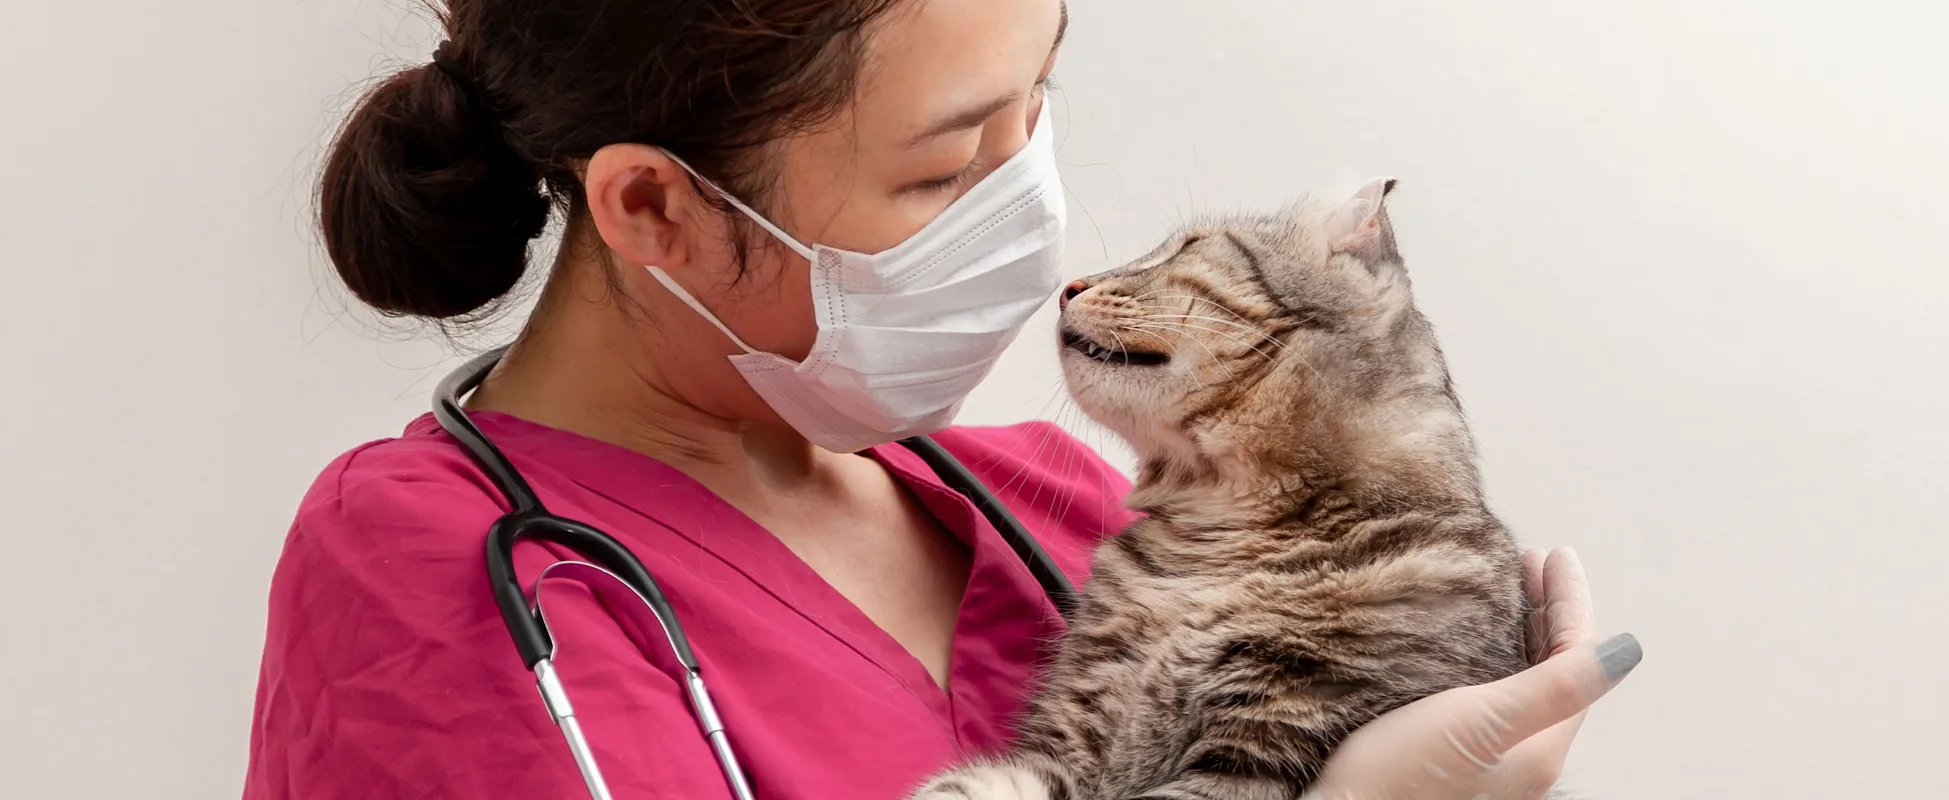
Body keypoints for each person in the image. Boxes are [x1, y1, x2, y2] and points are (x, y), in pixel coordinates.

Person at [242, 0, 1637, 797]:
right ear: (656, 206)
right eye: (945, 167)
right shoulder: (435, 582)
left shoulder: (1065, 502)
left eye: (1037, 103)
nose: (1034, 217)